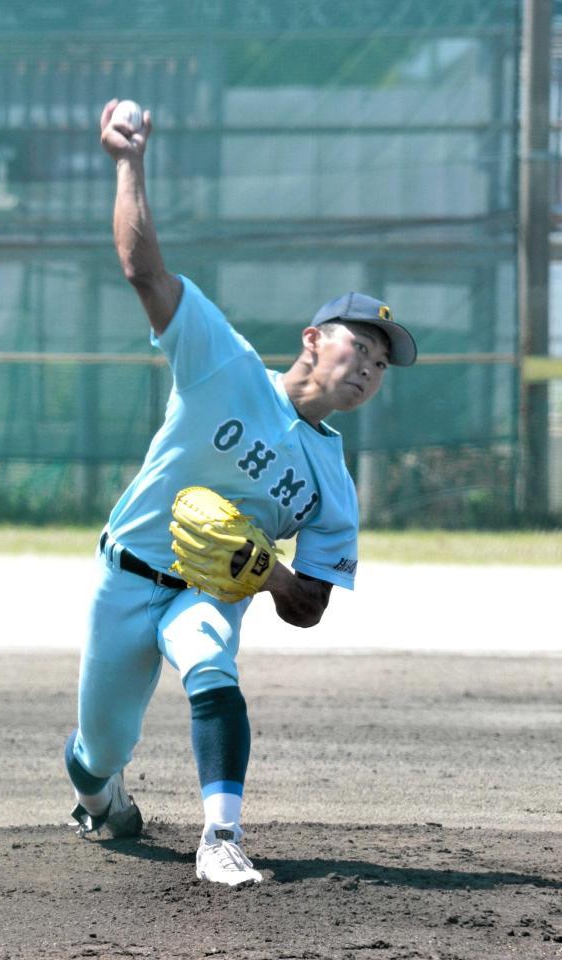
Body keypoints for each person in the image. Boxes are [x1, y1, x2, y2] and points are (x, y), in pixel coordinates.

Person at [64, 99, 418, 887]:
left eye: (380, 366)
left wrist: (267, 572)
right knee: (95, 755)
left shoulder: (332, 480)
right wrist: (129, 163)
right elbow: (143, 271)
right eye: (358, 347)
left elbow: (309, 605)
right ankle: (101, 794)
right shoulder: (221, 363)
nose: (366, 369)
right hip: (124, 578)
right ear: (312, 339)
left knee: (210, 669)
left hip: (207, 591)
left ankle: (220, 835)